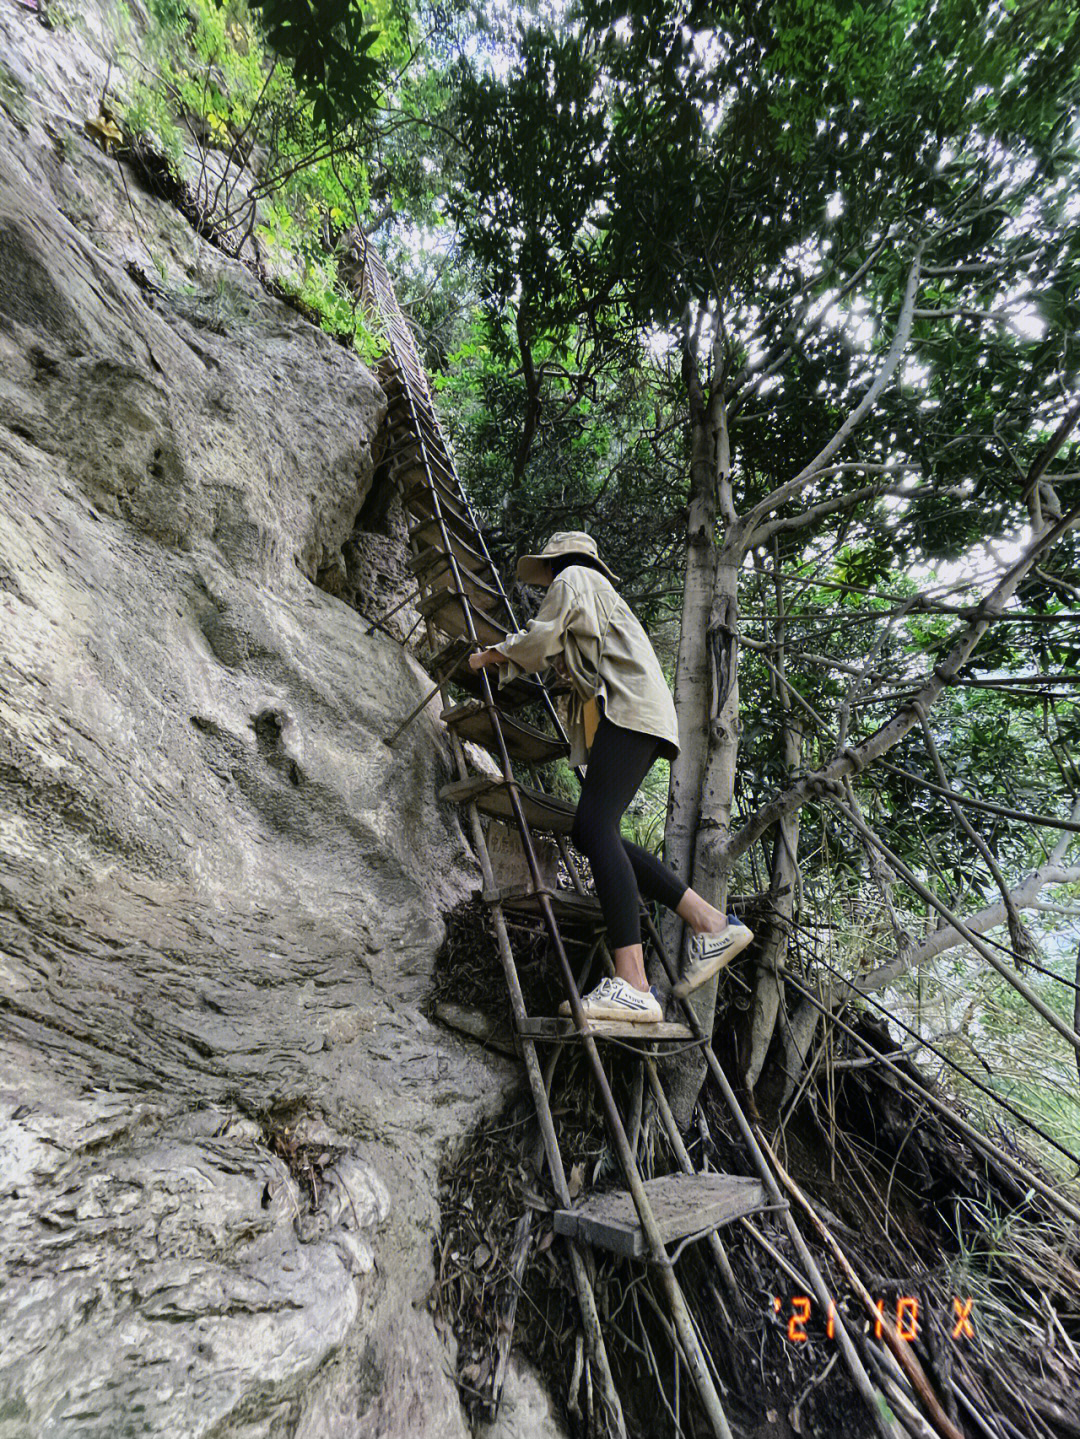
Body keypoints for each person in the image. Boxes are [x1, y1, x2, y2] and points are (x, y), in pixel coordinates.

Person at [468, 531, 753, 1022]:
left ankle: (634, 984)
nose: (544, 586)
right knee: (592, 831)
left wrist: (493, 654)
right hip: (641, 714)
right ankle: (710, 923)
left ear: (558, 562)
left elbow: (538, 639)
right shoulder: (602, 595)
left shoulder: (575, 577)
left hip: (630, 712)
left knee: (595, 828)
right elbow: (573, 657)